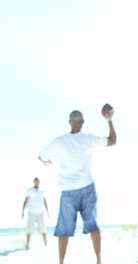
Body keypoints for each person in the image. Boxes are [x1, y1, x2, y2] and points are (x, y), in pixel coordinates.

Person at [38, 109, 116, 264]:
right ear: (82, 122)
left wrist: (45, 161)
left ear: (69, 122)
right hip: (87, 188)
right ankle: (99, 260)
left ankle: (61, 262)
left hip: (68, 191)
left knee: (64, 231)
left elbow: (41, 155)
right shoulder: (89, 139)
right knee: (93, 225)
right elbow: (112, 140)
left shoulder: (59, 142)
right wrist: (109, 120)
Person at [22, 177, 50, 249]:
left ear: (39, 182)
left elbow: (44, 201)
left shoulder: (42, 191)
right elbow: (26, 200)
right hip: (31, 212)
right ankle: (27, 245)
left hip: (40, 212)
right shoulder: (29, 190)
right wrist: (22, 211)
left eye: (37, 181)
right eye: (35, 181)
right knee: (29, 228)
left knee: (43, 228)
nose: (36, 182)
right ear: (34, 182)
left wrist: (48, 212)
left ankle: (46, 244)